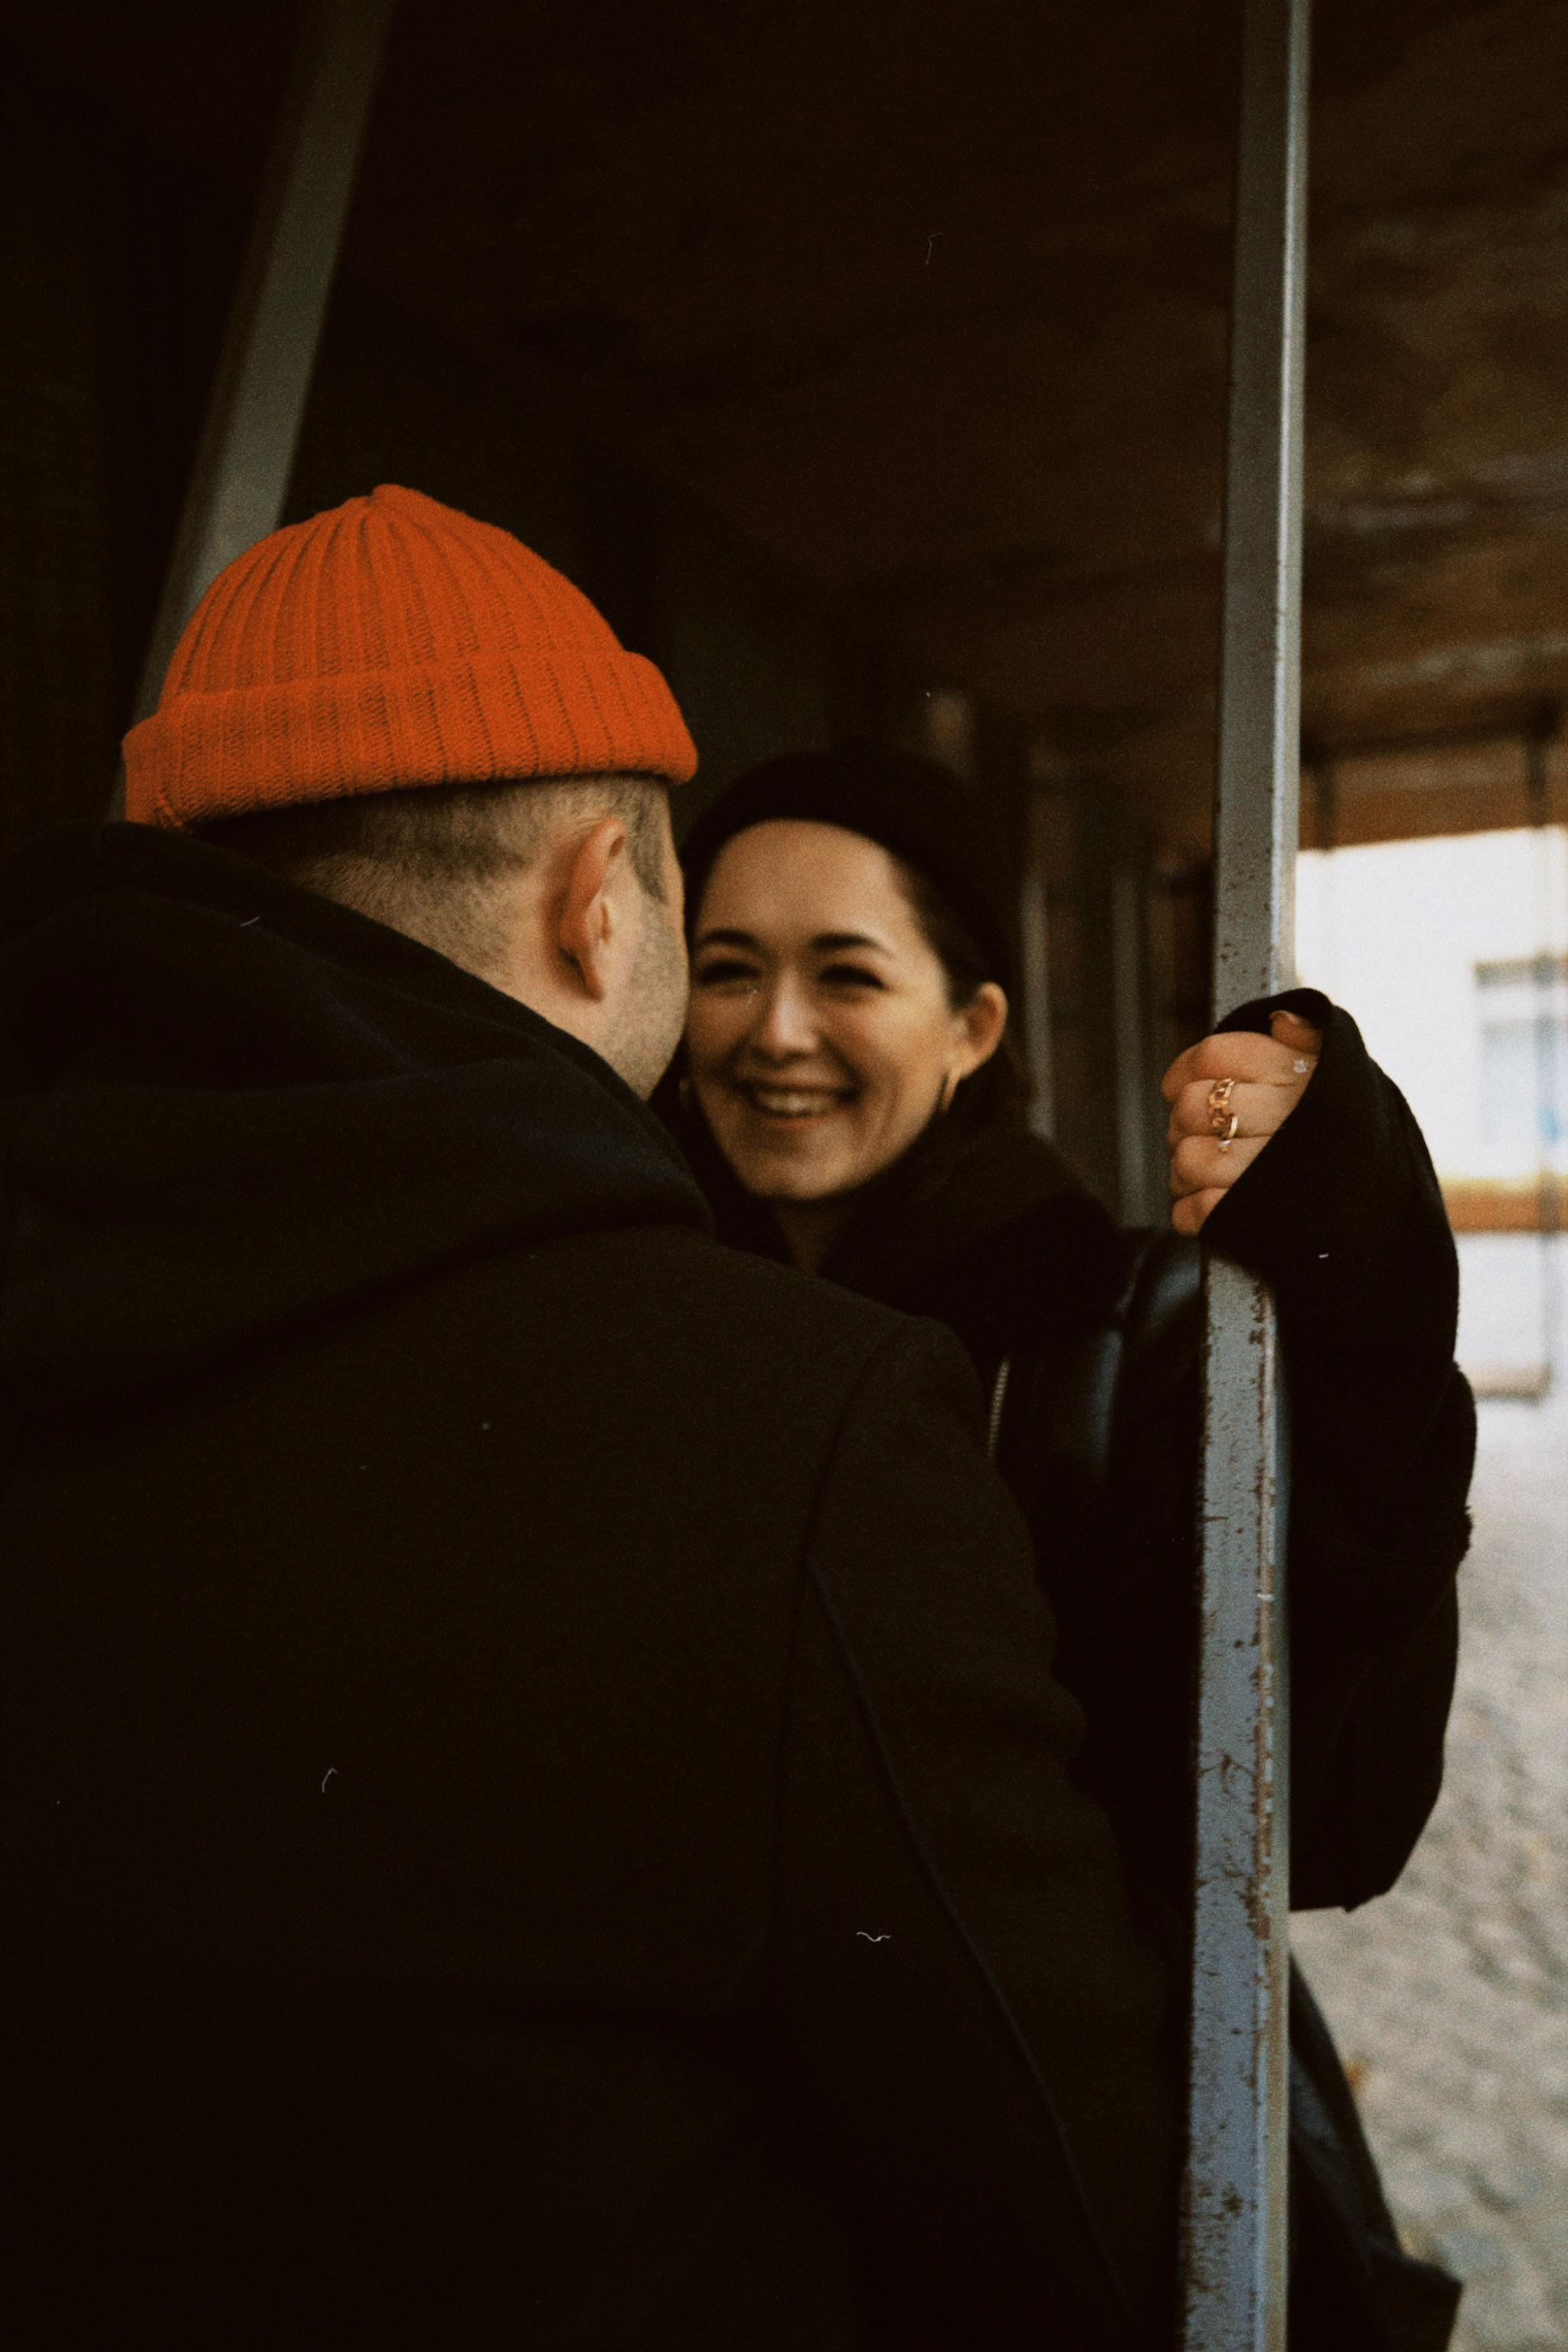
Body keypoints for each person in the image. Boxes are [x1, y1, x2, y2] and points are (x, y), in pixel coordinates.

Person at [0, 488, 1183, 2350]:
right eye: (723, 947)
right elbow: (1067, 2204)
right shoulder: (795, 1418)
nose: (770, 1030)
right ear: (600, 898)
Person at [666, 743, 1477, 2350]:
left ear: (973, 1027)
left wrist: (1363, 1280)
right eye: (726, 968)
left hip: (1069, 2189)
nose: (775, 1031)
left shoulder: (1128, 1333)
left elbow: (1334, 1811)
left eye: (847, 974)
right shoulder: (644, 1324)